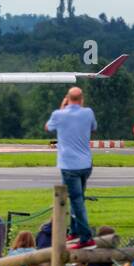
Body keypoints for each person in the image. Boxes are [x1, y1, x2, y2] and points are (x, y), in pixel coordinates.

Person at [45, 86, 97, 248]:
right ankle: (75, 230)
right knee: (79, 197)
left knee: (76, 201)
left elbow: (48, 128)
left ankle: (86, 237)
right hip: (86, 164)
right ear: (82, 99)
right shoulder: (88, 112)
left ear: (67, 98)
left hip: (69, 165)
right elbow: (93, 127)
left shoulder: (59, 115)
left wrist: (62, 108)